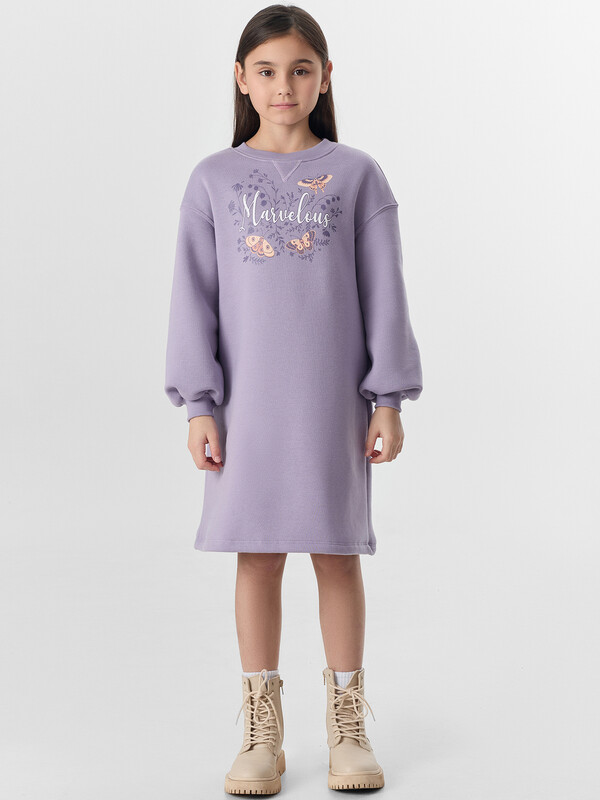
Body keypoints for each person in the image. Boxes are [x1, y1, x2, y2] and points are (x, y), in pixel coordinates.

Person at [164, 4, 423, 794]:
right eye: (268, 70)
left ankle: (347, 725)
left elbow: (384, 295)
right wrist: (200, 404)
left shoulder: (357, 176)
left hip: (329, 406)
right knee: (257, 555)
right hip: (246, 411)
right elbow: (193, 301)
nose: (284, 85)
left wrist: (388, 398)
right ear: (242, 80)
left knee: (337, 554)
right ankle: (261, 732)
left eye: (300, 69)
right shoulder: (212, 180)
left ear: (325, 78)